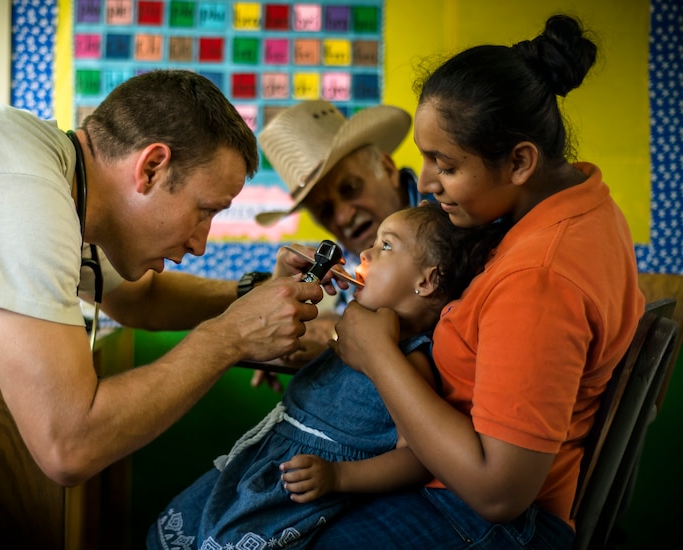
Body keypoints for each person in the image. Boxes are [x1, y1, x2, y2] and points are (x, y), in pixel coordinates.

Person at [0, 69, 325, 547]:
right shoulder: (24, 192)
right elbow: (67, 445)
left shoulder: (57, 173)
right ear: (151, 168)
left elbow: (141, 298)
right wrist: (231, 337)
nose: (200, 243)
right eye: (205, 210)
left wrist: (254, 295)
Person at [306, 14, 645, 549]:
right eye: (425, 157)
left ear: (519, 162)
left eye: (445, 163)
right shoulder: (575, 204)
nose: (429, 181)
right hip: (452, 485)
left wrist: (376, 354)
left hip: (488, 518)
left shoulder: (539, 277)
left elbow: (498, 492)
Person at [148, 203, 511, 550]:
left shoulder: (407, 363)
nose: (365, 254)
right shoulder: (351, 338)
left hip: (297, 487)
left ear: (428, 280)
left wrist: (339, 477)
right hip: (260, 464)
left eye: (386, 246)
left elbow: (415, 461)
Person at [248, 100, 430, 376]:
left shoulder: (452, 218)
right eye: (326, 210)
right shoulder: (354, 255)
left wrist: (334, 340)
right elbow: (352, 315)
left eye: (350, 188)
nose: (343, 217)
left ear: (388, 168)